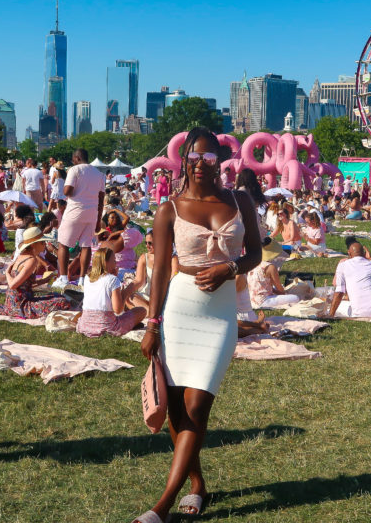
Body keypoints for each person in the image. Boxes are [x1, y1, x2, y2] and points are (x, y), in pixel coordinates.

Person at [134, 127, 261, 523]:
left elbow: (255, 253)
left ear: (220, 162)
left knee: (198, 405)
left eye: (209, 159)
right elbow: (157, 275)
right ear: (183, 161)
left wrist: (230, 268)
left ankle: (161, 506)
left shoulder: (239, 200)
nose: (201, 165)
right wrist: (152, 323)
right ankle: (197, 484)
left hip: (219, 315)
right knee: (176, 412)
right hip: (179, 309)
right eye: (194, 158)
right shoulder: (168, 208)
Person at [0, 227, 71, 318]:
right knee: (62, 302)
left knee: (57, 296)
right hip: (20, 306)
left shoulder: (22, 256)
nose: (45, 245)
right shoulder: (31, 260)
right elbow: (13, 285)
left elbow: (24, 284)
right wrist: (7, 273)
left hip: (12, 304)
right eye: (42, 242)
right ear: (33, 245)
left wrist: (45, 280)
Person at [52, 149, 105, 289]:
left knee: (63, 244)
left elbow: (67, 191)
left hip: (75, 211)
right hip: (92, 213)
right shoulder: (99, 174)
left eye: (73, 159)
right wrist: (99, 219)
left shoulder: (75, 170)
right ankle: (82, 279)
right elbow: (101, 198)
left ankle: (63, 278)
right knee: (86, 246)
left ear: (77, 158)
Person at [76, 247, 145, 337]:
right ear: (106, 262)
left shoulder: (87, 278)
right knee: (141, 311)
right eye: (114, 260)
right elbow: (118, 310)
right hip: (107, 327)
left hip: (85, 325)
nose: (116, 263)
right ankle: (130, 325)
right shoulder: (112, 280)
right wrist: (125, 293)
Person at [128, 230, 179, 309]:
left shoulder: (172, 259)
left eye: (150, 243)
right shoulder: (144, 257)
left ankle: (147, 312)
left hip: (163, 297)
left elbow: (173, 281)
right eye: (146, 243)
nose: (147, 246)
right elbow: (138, 280)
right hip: (147, 295)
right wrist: (126, 291)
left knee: (132, 305)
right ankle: (151, 313)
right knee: (129, 297)